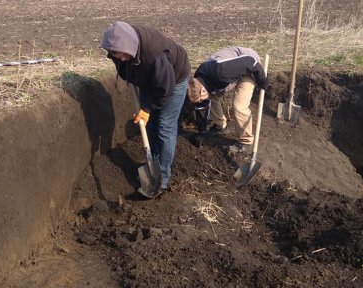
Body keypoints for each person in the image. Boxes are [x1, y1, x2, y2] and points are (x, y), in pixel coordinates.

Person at [100, 21, 190, 198]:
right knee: (148, 125)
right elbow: (126, 67)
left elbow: (165, 89)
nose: (121, 59)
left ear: (131, 48)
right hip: (148, 79)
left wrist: (147, 108)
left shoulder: (154, 55)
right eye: (116, 56)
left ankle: (162, 178)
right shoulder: (118, 50)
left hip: (173, 80)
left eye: (123, 55)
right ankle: (153, 162)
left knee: (164, 126)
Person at [187, 46, 269, 154]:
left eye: (201, 97)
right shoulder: (198, 80)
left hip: (250, 67)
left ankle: (246, 142)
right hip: (233, 71)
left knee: (239, 105)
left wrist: (262, 81)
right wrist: (202, 132)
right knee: (211, 98)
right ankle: (221, 126)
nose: (201, 100)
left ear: (202, 90)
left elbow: (250, 62)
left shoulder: (221, 72)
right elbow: (201, 106)